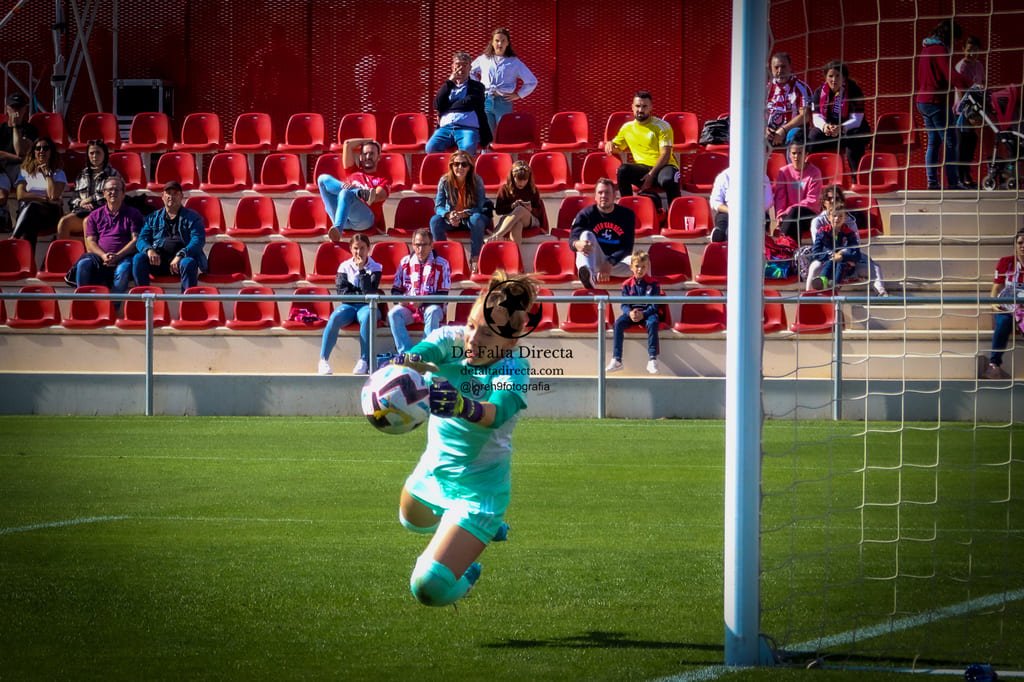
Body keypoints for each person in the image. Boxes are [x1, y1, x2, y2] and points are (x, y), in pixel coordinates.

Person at [391, 271, 539, 607]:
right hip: (434, 470)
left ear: (511, 341)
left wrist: (461, 405)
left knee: (428, 587)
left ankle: (470, 557)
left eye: (488, 333)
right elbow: (420, 354)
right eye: (472, 325)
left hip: (478, 491)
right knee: (410, 520)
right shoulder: (452, 339)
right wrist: (404, 366)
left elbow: (494, 414)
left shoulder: (513, 368)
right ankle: (471, 535)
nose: (473, 338)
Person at [916, 19, 974, 190]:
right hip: (935, 102)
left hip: (923, 101)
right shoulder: (940, 49)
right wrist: (971, 84)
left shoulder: (926, 48)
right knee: (950, 141)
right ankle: (954, 182)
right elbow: (950, 74)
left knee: (933, 142)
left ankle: (932, 182)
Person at [318, 233, 383, 376]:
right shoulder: (344, 266)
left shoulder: (376, 267)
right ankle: (323, 360)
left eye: (362, 248)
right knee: (335, 317)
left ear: (368, 249)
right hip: (349, 306)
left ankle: (364, 360)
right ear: (350, 249)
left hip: (368, 306)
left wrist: (361, 271)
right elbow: (343, 294)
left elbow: (370, 292)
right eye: (355, 248)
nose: (359, 252)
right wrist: (360, 295)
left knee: (367, 317)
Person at [807, 185, 887, 296]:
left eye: (837, 198)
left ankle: (881, 292)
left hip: (846, 255)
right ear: (824, 202)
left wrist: (843, 254)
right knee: (814, 267)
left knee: (874, 266)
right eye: (829, 198)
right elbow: (818, 245)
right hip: (826, 255)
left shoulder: (849, 220)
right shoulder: (817, 222)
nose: (833, 200)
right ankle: (808, 296)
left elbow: (855, 244)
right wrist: (832, 255)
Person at [604, 90, 680, 206]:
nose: (640, 110)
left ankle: (675, 213)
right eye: (638, 106)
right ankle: (628, 208)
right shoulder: (627, 128)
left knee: (668, 180)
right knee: (623, 171)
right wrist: (610, 144)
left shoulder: (662, 126)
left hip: (665, 166)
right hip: (643, 169)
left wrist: (651, 175)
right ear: (632, 107)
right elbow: (617, 147)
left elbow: (665, 155)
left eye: (644, 106)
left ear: (651, 108)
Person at [132, 181, 207, 292]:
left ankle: (187, 304)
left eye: (175, 193)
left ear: (181, 196)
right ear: (163, 196)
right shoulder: (153, 217)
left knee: (189, 263)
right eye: (168, 193)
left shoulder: (193, 217)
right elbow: (141, 239)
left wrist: (181, 254)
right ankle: (143, 298)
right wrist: (149, 250)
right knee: (138, 258)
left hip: (181, 261)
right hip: (158, 261)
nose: (171, 196)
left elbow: (198, 240)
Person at [74, 176, 142, 295]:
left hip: (124, 256)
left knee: (123, 269)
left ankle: (112, 308)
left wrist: (118, 256)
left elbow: (135, 240)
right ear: (104, 193)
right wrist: (104, 256)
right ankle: (82, 305)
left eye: (117, 190)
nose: (113, 192)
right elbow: (91, 242)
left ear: (123, 194)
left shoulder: (133, 214)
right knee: (83, 264)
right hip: (100, 257)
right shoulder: (94, 215)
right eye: (109, 190)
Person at [388, 228, 451, 353]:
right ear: (413, 244)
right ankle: (406, 353)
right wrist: (400, 300)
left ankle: (424, 353)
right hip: (410, 307)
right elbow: (395, 290)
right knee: (393, 314)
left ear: (431, 245)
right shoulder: (405, 262)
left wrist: (423, 301)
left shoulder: (442, 263)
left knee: (432, 311)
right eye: (417, 245)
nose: (420, 249)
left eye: (424, 245)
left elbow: (444, 294)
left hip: (433, 306)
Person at [429, 150, 491, 271]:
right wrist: (448, 215)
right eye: (456, 164)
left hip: (471, 216)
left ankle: (475, 258)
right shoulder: (445, 181)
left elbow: (481, 206)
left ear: (470, 167)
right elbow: (438, 206)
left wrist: (466, 213)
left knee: (476, 218)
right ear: (451, 166)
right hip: (453, 217)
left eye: (464, 164)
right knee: (435, 221)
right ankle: (442, 258)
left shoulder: (476, 181)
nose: (460, 167)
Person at [470, 27, 538, 137]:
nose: (499, 43)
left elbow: (531, 81)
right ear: (492, 42)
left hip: (503, 101)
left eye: (503, 41)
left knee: (505, 134)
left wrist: (519, 95)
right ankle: (487, 154)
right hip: (486, 100)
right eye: (497, 40)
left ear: (507, 43)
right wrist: (479, 86)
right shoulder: (484, 59)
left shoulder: (514, 62)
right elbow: (470, 71)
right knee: (486, 135)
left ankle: (505, 154)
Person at [317, 137, 390, 241]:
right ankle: (359, 193)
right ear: (360, 157)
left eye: (372, 154)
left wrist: (356, 192)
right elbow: (347, 144)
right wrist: (368, 140)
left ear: (378, 157)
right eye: (365, 154)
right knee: (322, 179)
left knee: (345, 193)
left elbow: (377, 196)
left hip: (365, 220)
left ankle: (338, 228)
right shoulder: (353, 171)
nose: (368, 156)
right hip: (345, 219)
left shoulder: (382, 180)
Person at [807, 60, 872, 173]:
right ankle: (814, 174)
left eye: (838, 76)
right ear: (825, 77)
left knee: (854, 137)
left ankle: (855, 175)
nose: (834, 80)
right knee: (813, 136)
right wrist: (824, 127)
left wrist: (841, 128)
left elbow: (856, 119)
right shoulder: (819, 92)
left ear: (844, 76)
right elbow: (816, 117)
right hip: (830, 131)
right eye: (830, 76)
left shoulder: (854, 90)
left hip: (850, 130)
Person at [569, 177, 635, 288]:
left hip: (616, 262)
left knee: (642, 263)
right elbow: (572, 238)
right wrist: (577, 244)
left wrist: (610, 262)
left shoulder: (627, 215)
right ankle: (588, 276)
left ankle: (644, 299)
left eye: (607, 192)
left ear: (614, 195)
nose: (603, 196)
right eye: (600, 192)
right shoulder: (586, 214)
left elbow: (627, 247)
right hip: (593, 259)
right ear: (595, 196)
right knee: (586, 235)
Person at [606, 249, 662, 375]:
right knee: (618, 323)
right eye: (637, 266)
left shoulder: (654, 284)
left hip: (647, 313)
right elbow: (624, 304)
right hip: (632, 314)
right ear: (631, 267)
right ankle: (617, 359)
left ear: (647, 267)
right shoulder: (626, 284)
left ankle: (652, 359)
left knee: (653, 322)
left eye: (643, 267)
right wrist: (630, 313)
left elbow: (654, 305)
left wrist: (644, 314)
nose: (640, 270)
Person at [425, 51, 492, 156]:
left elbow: (468, 103)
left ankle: (465, 170)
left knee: (467, 148)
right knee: (431, 148)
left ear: (470, 68)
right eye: (458, 65)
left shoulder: (477, 87)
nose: (461, 68)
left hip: (467, 128)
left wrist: (446, 108)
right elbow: (437, 104)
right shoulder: (447, 86)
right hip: (446, 128)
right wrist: (450, 81)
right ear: (452, 67)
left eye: (465, 65)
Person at [12, 136, 66, 262]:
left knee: (32, 207)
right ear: (34, 152)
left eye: (45, 148)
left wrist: (48, 174)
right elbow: (21, 195)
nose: (41, 151)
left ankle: (14, 238)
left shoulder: (58, 173)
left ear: (51, 151)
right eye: (38, 148)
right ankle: (29, 264)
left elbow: (54, 195)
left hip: (51, 215)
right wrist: (45, 198)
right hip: (31, 214)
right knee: (31, 223)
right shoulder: (25, 171)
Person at [57, 140, 121, 241]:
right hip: (83, 211)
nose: (94, 156)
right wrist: (81, 202)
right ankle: (67, 253)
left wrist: (90, 199)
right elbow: (74, 198)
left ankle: (90, 254)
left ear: (105, 155)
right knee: (63, 222)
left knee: (87, 222)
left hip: (104, 214)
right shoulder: (82, 174)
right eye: (91, 153)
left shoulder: (113, 174)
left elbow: (114, 196)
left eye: (98, 152)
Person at [981, 228, 1024, 380]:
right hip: (1007, 306)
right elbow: (996, 287)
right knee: (1004, 321)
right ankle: (994, 365)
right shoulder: (1006, 262)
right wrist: (993, 303)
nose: (1023, 246)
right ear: (1015, 245)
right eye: (1020, 242)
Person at [0, 93, 38, 231]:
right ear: (7, 108)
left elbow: (21, 151)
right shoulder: (1, 129)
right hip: (3, 169)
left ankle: (22, 218)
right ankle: (4, 218)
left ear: (24, 110)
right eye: (13, 107)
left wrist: (16, 128)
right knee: (1, 196)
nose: (16, 111)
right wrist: (15, 158)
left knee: (26, 184)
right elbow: (16, 156)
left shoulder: (30, 129)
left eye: (19, 108)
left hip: (20, 170)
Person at [773, 137, 822, 244]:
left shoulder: (815, 172)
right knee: (793, 222)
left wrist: (791, 209)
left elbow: (812, 200)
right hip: (789, 216)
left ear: (806, 154)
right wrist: (780, 215)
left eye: (800, 153)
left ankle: (781, 248)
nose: (796, 156)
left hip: (809, 214)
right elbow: (780, 197)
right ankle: (793, 253)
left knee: (795, 213)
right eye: (794, 153)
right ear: (789, 154)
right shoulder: (783, 172)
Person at [709, 164, 774, 243]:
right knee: (722, 225)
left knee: (758, 224)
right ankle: (719, 236)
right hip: (729, 211)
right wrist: (732, 211)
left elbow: (768, 201)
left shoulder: (762, 177)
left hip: (755, 212)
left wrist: (752, 211)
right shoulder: (724, 176)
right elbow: (715, 202)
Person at [954, 36, 986, 188]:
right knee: (962, 144)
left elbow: (982, 84)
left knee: (972, 144)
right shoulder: (961, 66)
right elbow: (960, 89)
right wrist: (965, 109)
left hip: (976, 110)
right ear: (963, 50)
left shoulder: (979, 65)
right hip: (963, 110)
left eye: (975, 50)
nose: (972, 54)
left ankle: (967, 175)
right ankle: (959, 178)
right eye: (969, 50)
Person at [488, 160, 543, 245]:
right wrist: (511, 206)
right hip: (510, 218)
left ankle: (498, 235)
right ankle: (516, 255)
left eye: (525, 180)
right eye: (519, 179)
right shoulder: (505, 189)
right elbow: (498, 210)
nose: (522, 182)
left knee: (520, 209)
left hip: (530, 219)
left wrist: (530, 209)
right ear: (512, 177)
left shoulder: (533, 189)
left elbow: (539, 212)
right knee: (517, 225)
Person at [808, 202, 861, 291]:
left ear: (845, 218)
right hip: (827, 261)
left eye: (840, 216)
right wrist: (830, 255)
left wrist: (842, 256)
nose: (837, 219)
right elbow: (816, 253)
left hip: (845, 264)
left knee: (840, 263)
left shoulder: (850, 233)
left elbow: (857, 254)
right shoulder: (822, 232)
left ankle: (834, 286)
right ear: (828, 217)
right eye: (834, 216)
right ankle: (822, 281)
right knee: (830, 261)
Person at [765, 52, 812, 147]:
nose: (780, 70)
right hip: (769, 131)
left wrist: (783, 130)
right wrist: (763, 128)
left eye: (783, 67)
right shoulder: (766, 88)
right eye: (776, 67)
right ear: (771, 69)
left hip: (791, 131)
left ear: (790, 67)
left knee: (794, 135)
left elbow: (805, 116)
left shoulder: (801, 88)